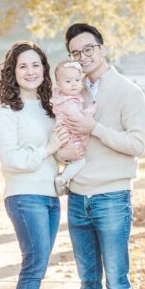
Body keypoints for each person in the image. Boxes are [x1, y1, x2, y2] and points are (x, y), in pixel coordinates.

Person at [56, 23, 145, 289]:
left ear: (103, 48)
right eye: (75, 53)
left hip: (112, 196)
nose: (82, 57)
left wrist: (94, 128)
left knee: (117, 279)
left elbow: (137, 145)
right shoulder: (71, 92)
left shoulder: (128, 92)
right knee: (87, 278)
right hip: (78, 197)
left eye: (88, 49)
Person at [0, 40, 81, 289]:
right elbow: (12, 159)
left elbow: (57, 148)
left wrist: (64, 152)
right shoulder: (6, 112)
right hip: (23, 195)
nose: (31, 71)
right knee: (34, 265)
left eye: (36, 65)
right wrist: (48, 149)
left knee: (38, 265)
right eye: (23, 66)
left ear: (45, 70)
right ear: (13, 73)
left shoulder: (49, 109)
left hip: (49, 197)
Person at [50, 60, 96, 196]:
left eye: (77, 79)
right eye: (68, 82)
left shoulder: (64, 98)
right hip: (70, 136)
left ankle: (64, 179)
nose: (74, 84)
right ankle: (62, 179)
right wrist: (90, 111)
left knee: (73, 160)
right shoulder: (68, 102)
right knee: (79, 161)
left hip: (67, 134)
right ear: (59, 84)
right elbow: (78, 120)